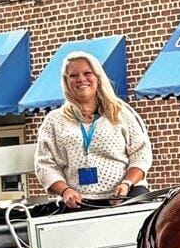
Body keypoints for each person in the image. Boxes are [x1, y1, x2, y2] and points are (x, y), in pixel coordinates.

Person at [35, 52, 152, 209]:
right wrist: (65, 191)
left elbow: (141, 154)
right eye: (73, 75)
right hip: (80, 201)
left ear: (98, 77)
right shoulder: (54, 120)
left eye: (87, 73)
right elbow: (45, 165)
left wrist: (127, 184)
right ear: (66, 82)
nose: (81, 79)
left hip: (127, 194)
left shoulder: (121, 112)